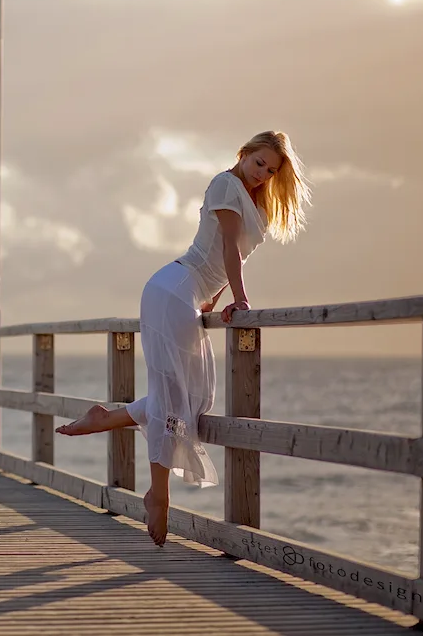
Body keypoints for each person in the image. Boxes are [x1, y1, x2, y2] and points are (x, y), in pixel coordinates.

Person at [56, 130, 311, 546]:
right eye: (258, 162)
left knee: (191, 399)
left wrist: (218, 299)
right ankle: (159, 494)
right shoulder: (225, 184)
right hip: (174, 288)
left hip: (188, 294)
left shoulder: (254, 198)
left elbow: (234, 257)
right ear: (243, 153)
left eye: (271, 169)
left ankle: (106, 419)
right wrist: (242, 299)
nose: (263, 173)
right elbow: (227, 246)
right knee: (173, 396)